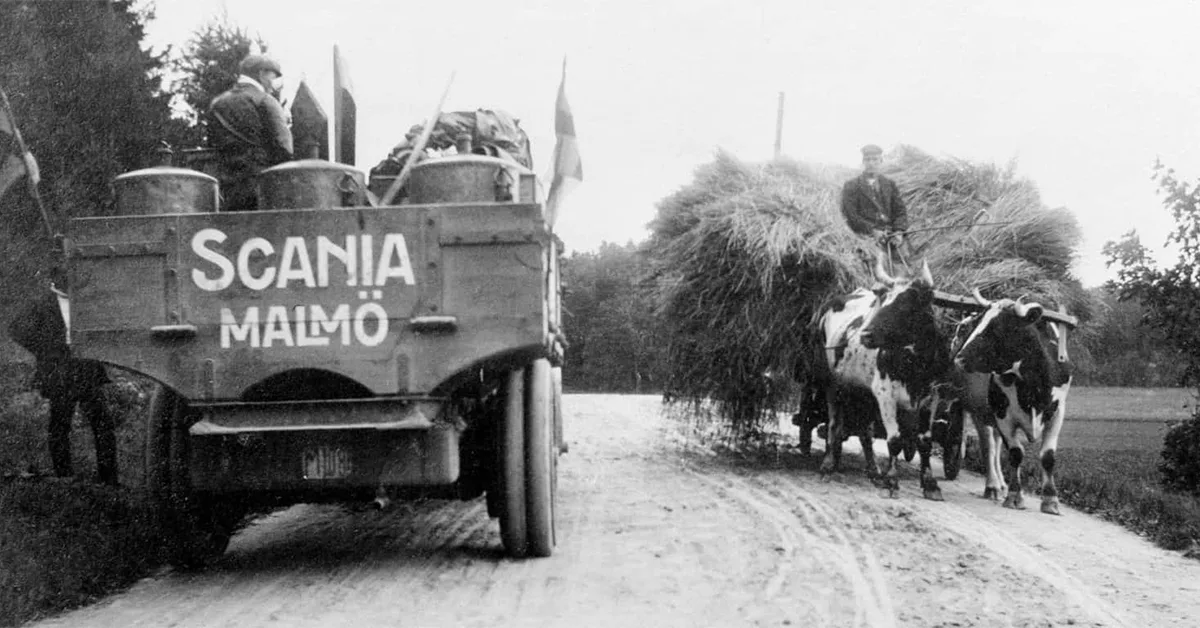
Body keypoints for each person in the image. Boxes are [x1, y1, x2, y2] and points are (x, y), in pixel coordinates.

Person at [7, 268, 116, 485]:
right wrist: (43, 349)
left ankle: (110, 479)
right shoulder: (41, 303)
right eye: (63, 277)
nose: (70, 280)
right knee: (60, 424)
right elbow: (15, 329)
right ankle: (64, 476)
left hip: (86, 367)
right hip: (58, 370)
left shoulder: (85, 299)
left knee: (102, 422)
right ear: (54, 279)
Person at [206, 53, 294, 211]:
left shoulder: (217, 103)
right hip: (262, 190)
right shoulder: (265, 101)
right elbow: (284, 148)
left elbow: (212, 144)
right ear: (261, 74)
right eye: (272, 78)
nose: (272, 85)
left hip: (226, 190)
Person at [841, 144, 910, 269]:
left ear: (881, 161)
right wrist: (872, 231)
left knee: (906, 265)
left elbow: (900, 211)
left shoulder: (889, 184)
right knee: (877, 265)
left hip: (891, 235)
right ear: (863, 162)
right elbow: (851, 215)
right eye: (868, 159)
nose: (871, 163)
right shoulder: (851, 185)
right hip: (866, 236)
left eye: (875, 159)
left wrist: (899, 232)